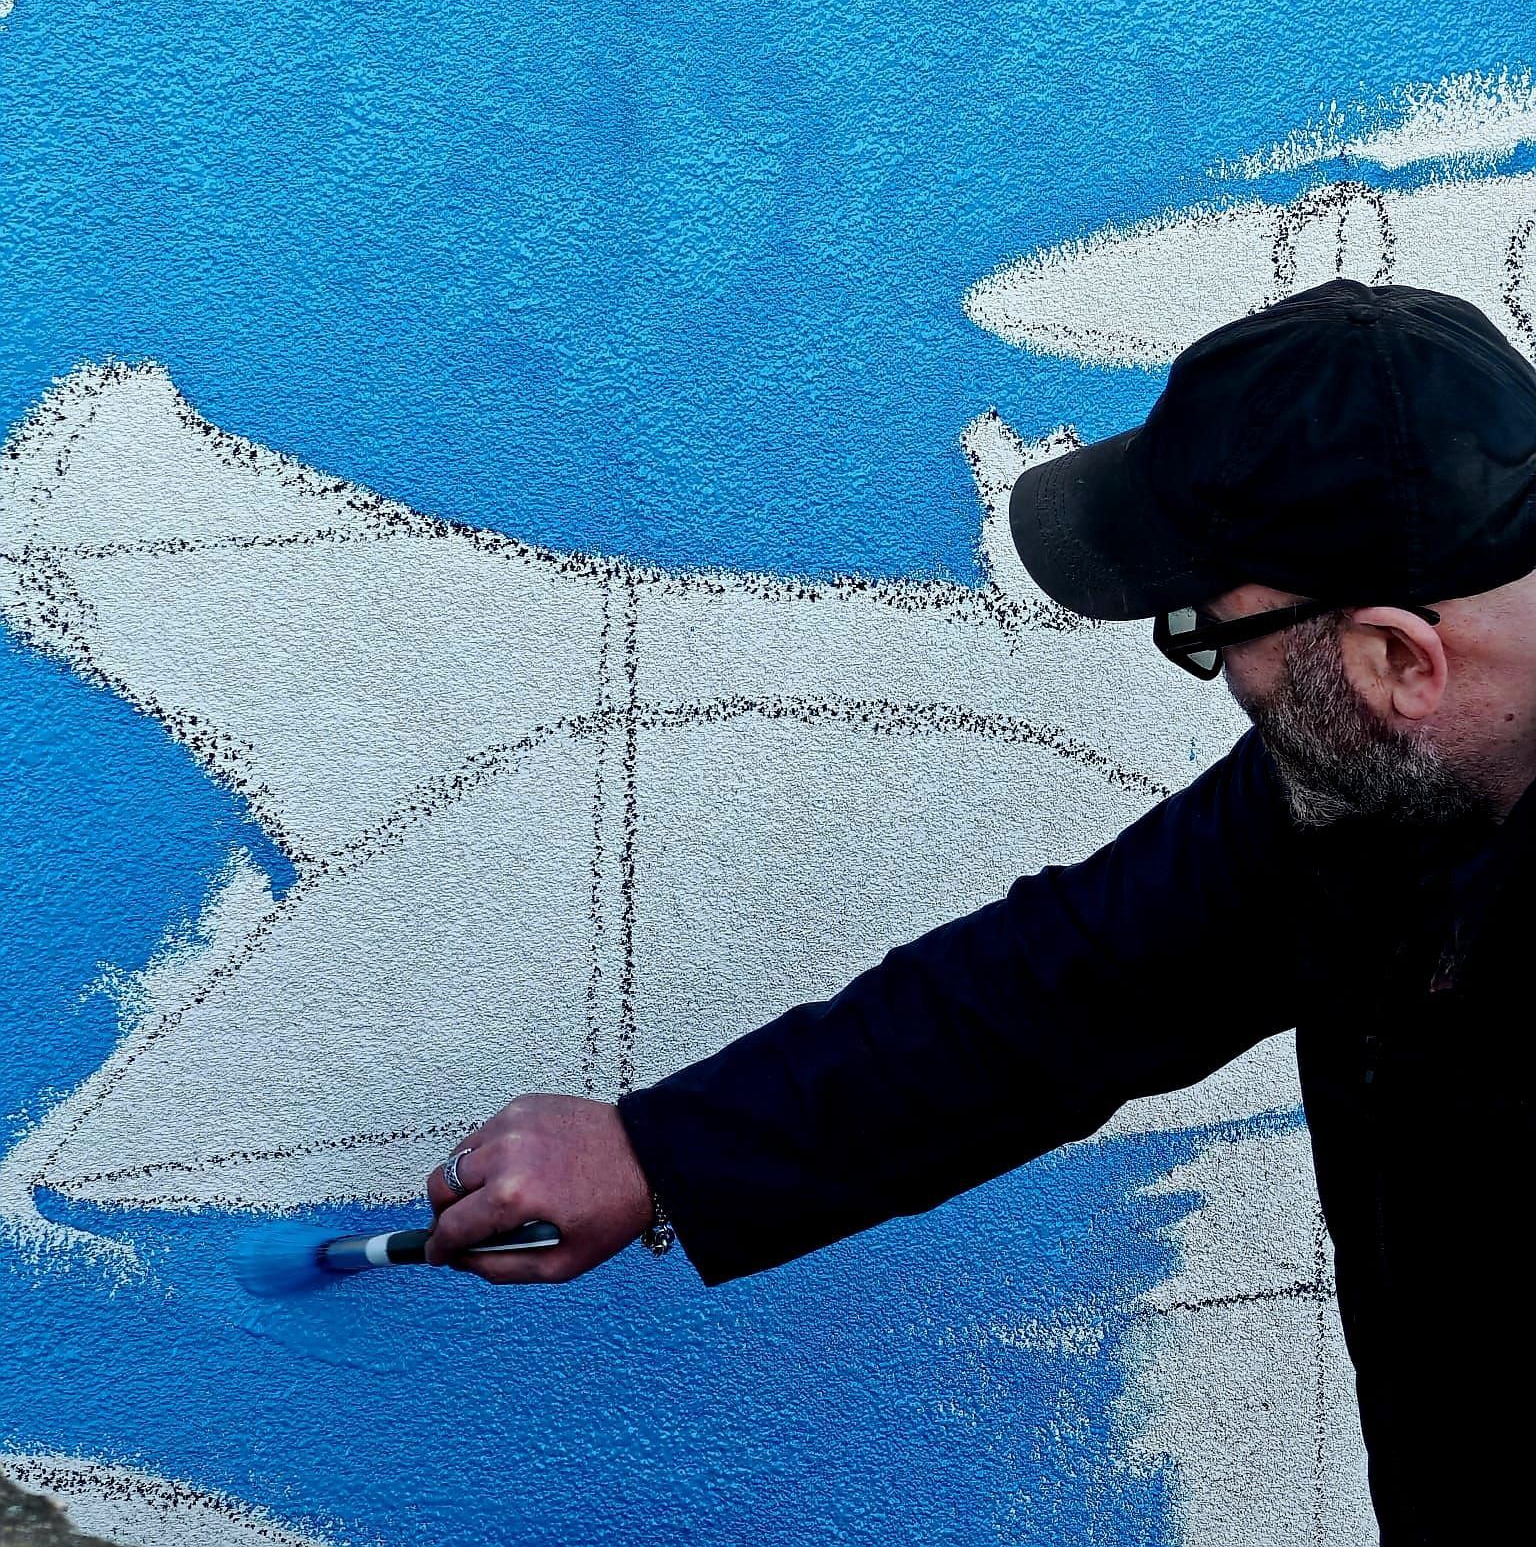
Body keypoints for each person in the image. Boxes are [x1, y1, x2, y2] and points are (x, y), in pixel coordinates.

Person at [423, 279, 1535, 1544]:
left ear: (1399, 658)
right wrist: (658, 1150)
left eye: (1207, 631)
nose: (1216, 675)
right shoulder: (1371, 791)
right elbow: (1062, 984)